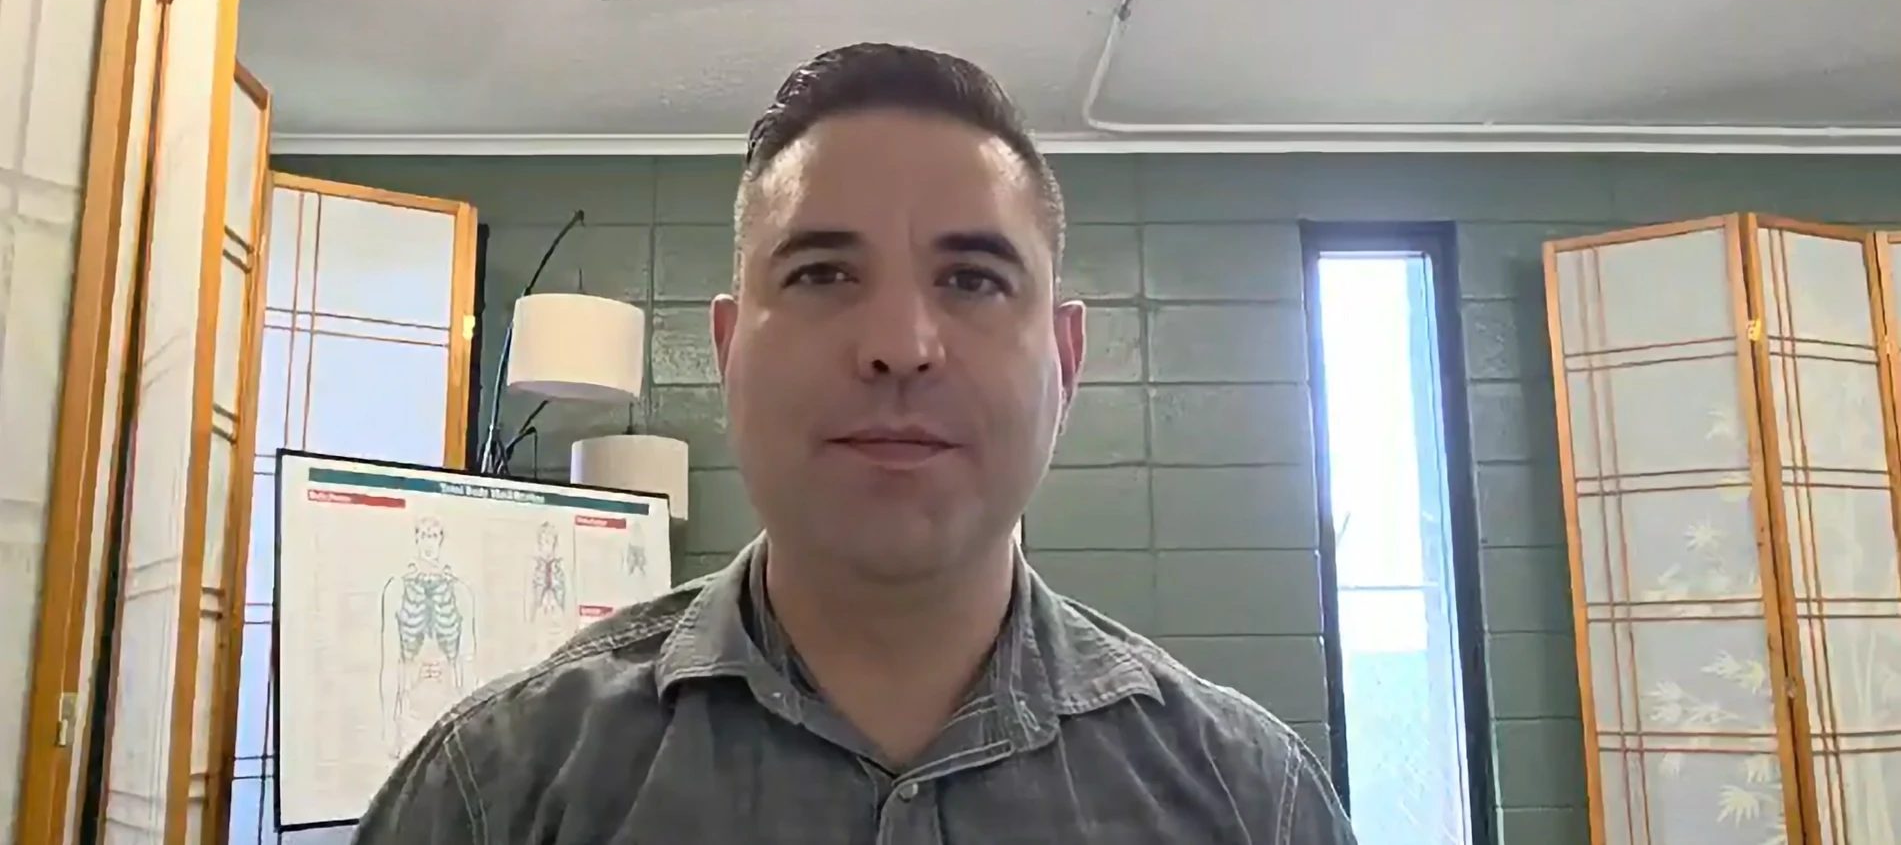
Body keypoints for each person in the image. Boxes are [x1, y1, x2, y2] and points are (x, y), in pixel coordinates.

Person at [351, 43, 1357, 844]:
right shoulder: (496, 791)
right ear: (729, 347)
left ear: (1064, 356)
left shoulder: (1245, 802)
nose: (898, 348)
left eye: (970, 280)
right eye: (824, 275)